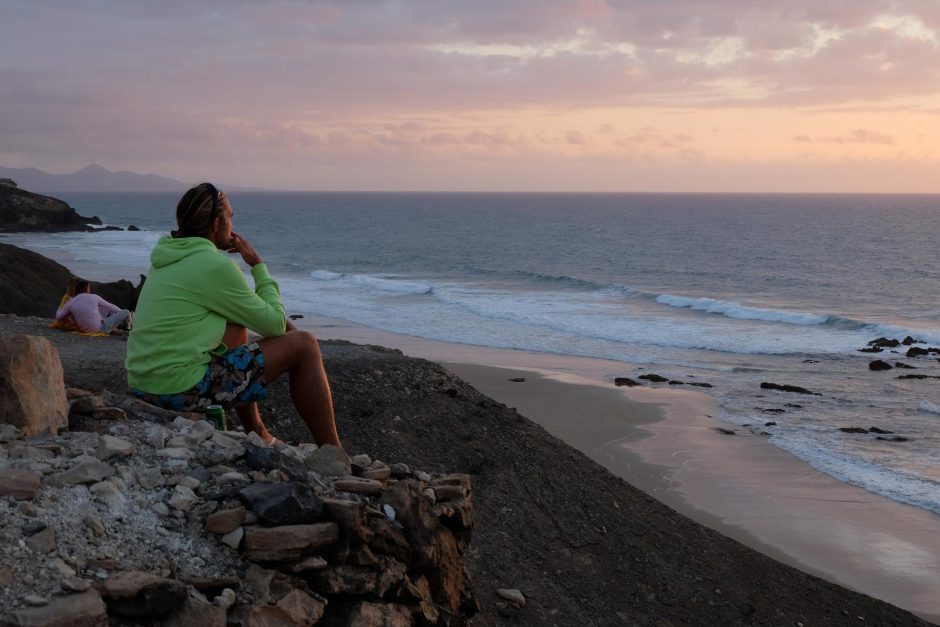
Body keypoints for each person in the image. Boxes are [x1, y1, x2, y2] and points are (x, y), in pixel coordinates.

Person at [125, 182, 340, 447]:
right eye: (230, 217)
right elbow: (273, 324)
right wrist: (258, 267)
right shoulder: (214, 266)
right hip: (178, 391)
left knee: (237, 325)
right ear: (216, 224)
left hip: (142, 383)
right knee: (306, 344)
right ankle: (334, 452)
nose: (232, 224)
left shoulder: (167, 256)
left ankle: (257, 430)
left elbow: (247, 314)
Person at [55, 279, 131, 334]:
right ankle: (128, 325)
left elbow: (58, 316)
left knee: (101, 308)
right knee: (126, 312)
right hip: (101, 328)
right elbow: (111, 306)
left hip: (86, 330)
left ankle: (119, 325)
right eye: (89, 288)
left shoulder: (71, 302)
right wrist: (122, 314)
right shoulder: (93, 297)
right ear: (86, 289)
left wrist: (61, 306)